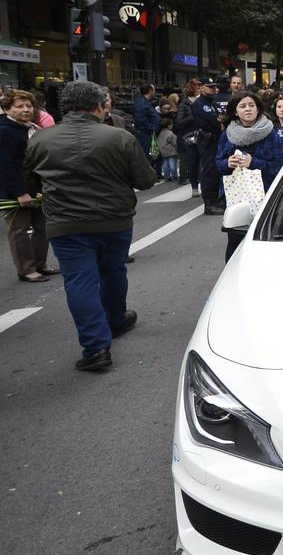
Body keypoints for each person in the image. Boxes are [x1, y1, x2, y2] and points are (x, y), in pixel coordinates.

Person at [22, 82, 157, 372]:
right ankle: (116, 319)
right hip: (114, 220)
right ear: (99, 106)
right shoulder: (119, 137)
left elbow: (29, 180)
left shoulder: (41, 139)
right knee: (114, 270)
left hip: (65, 221)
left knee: (80, 281)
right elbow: (145, 180)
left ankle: (96, 348)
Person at [216, 91, 283, 260]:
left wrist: (253, 163)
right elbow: (218, 163)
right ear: (235, 111)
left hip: (266, 195)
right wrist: (228, 163)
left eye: (251, 105)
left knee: (265, 241)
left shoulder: (270, 133)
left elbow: (279, 167)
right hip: (237, 198)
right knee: (235, 243)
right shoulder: (227, 135)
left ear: (258, 109)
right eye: (242, 106)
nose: (247, 109)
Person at [1, 90, 55, 283]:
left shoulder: (31, 128)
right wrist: (20, 192)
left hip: (38, 187)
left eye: (29, 106)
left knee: (43, 227)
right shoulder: (5, 130)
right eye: (19, 106)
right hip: (15, 191)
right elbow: (5, 165)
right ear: (7, 109)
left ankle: (40, 264)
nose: (25, 110)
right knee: (19, 230)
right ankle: (26, 269)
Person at [190, 80, 225, 214]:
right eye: (209, 87)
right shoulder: (199, 104)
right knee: (209, 171)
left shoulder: (213, 103)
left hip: (217, 140)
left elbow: (221, 118)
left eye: (214, 87)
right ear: (201, 88)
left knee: (216, 170)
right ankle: (209, 204)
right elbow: (213, 121)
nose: (213, 89)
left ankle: (216, 200)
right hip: (208, 140)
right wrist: (219, 123)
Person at [157, 117, 178, 183]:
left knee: (165, 164)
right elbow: (174, 142)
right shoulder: (170, 133)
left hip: (163, 151)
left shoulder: (160, 133)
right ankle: (174, 176)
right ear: (169, 126)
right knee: (172, 164)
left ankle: (167, 176)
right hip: (171, 151)